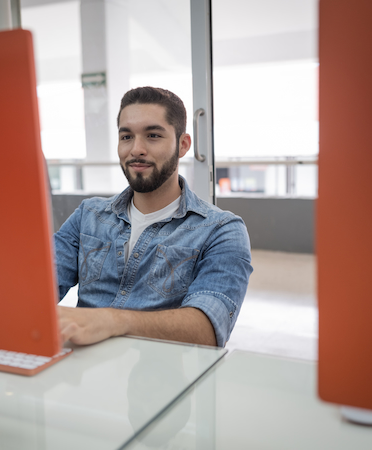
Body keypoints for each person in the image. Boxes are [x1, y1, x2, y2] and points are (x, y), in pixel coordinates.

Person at [55, 86, 252, 347]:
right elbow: (37, 287)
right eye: (126, 137)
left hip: (161, 380)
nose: (136, 149)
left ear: (183, 145)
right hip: (83, 373)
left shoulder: (221, 230)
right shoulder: (88, 215)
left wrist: (114, 321)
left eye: (153, 135)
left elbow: (208, 329)